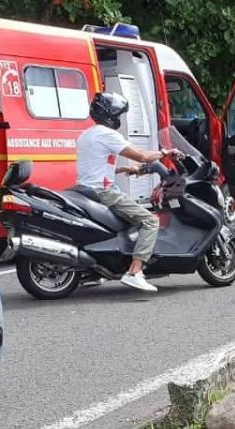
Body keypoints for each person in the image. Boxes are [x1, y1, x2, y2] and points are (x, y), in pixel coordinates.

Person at [76, 92, 183, 292]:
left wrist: (125, 169)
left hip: (86, 189)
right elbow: (143, 155)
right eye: (118, 114)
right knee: (150, 221)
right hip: (104, 192)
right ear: (111, 115)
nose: (119, 119)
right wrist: (165, 152)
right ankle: (135, 271)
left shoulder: (86, 135)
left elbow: (95, 166)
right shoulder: (108, 135)